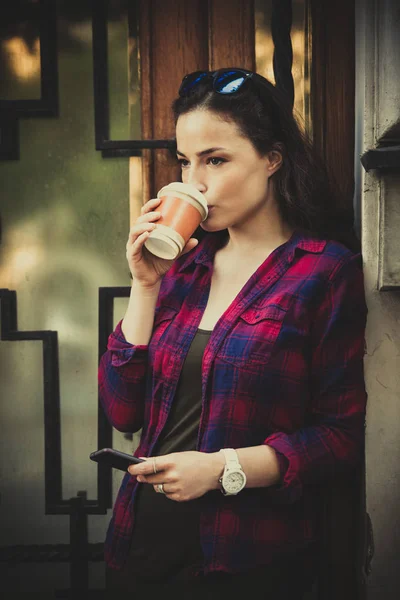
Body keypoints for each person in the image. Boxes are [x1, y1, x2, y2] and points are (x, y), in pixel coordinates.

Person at [99, 68, 367, 599]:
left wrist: (223, 470)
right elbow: (123, 413)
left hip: (247, 564)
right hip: (140, 552)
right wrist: (144, 285)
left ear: (272, 159)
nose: (194, 182)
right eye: (184, 161)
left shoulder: (323, 272)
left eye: (215, 160)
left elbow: (340, 438)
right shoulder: (182, 269)